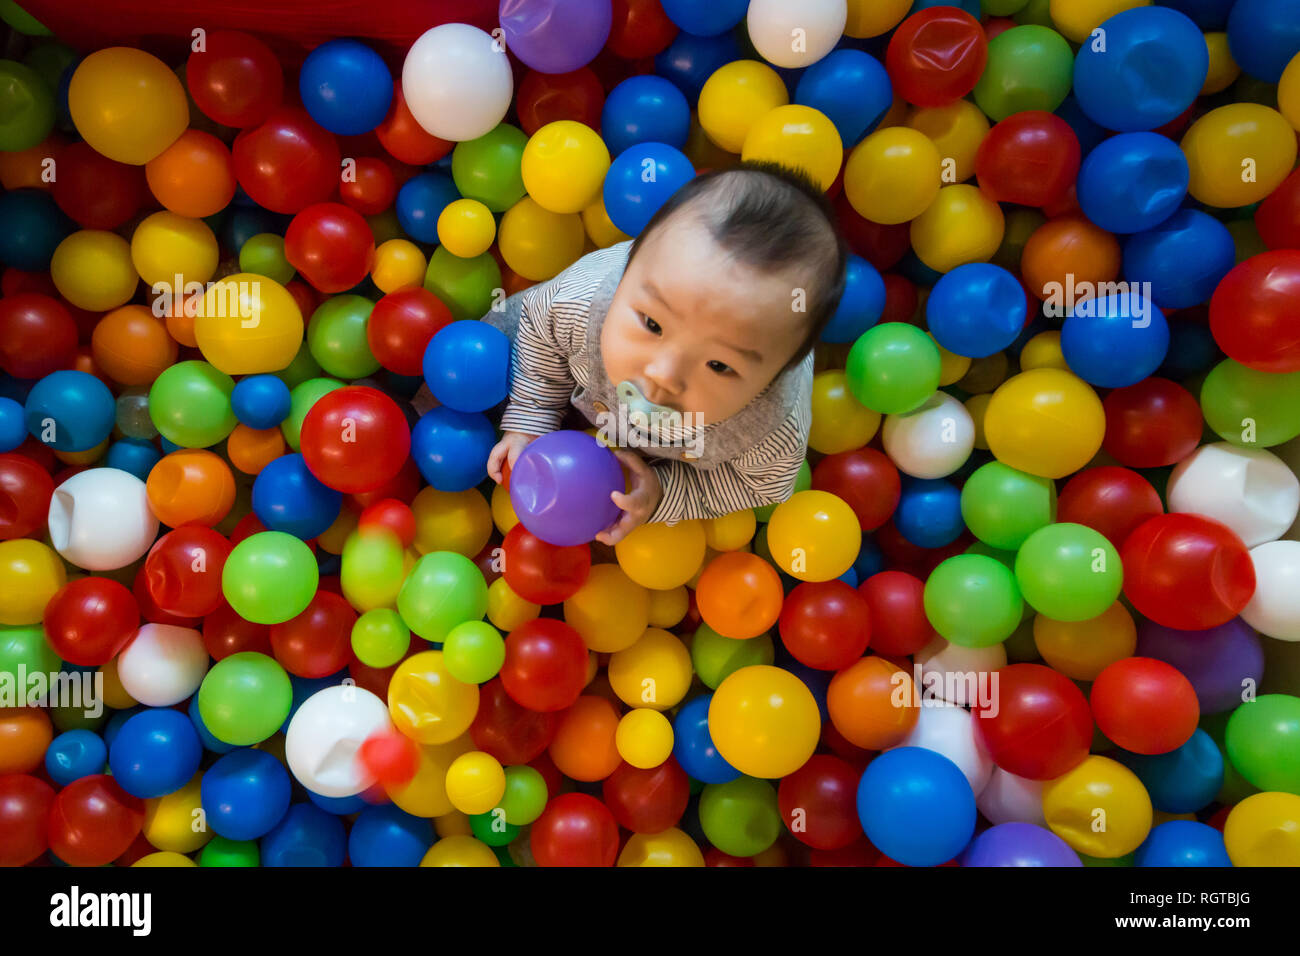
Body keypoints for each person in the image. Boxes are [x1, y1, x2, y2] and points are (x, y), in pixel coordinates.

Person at [485, 160, 848, 545]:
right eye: (652, 325)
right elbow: (539, 332)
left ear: (774, 379)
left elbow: (758, 487)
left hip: (672, 452)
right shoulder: (575, 302)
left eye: (719, 365)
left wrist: (662, 491)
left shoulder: (769, 432)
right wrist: (531, 416)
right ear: (626, 274)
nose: (663, 374)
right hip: (575, 359)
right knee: (494, 338)